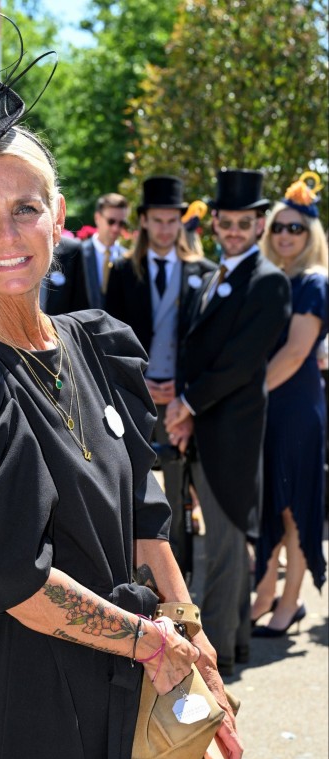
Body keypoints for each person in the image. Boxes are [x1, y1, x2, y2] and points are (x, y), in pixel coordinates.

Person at [0, 21, 242, 759]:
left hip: (144, 691)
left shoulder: (102, 344)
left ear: (59, 217)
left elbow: (145, 521)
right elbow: (21, 584)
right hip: (37, 710)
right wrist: (154, 643)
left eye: (25, 208)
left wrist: (196, 642)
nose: (6, 235)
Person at [165, 169, 291, 676]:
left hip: (234, 433)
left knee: (224, 545)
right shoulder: (213, 273)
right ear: (214, 221)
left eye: (245, 223)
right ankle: (232, 646)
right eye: (227, 222)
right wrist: (187, 415)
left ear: (260, 225)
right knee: (221, 544)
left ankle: (214, 656)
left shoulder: (268, 281)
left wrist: (186, 405)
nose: (235, 231)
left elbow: (241, 362)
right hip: (203, 428)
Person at [106, 177, 215, 578]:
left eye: (174, 220)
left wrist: (184, 389)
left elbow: (207, 343)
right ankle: (143, 577)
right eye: (159, 220)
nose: (167, 228)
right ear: (145, 222)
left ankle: (184, 574)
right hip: (138, 397)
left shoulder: (203, 272)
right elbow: (111, 337)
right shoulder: (121, 272)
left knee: (186, 489)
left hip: (186, 398)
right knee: (141, 491)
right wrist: (137, 381)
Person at [251, 172, 328, 637]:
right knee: (270, 505)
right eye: (278, 226)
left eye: (295, 227)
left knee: (295, 508)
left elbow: (297, 352)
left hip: (295, 406)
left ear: (311, 233)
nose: (284, 235)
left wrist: (248, 393)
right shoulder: (271, 278)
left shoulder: (313, 283)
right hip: (269, 405)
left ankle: (290, 601)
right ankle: (265, 593)